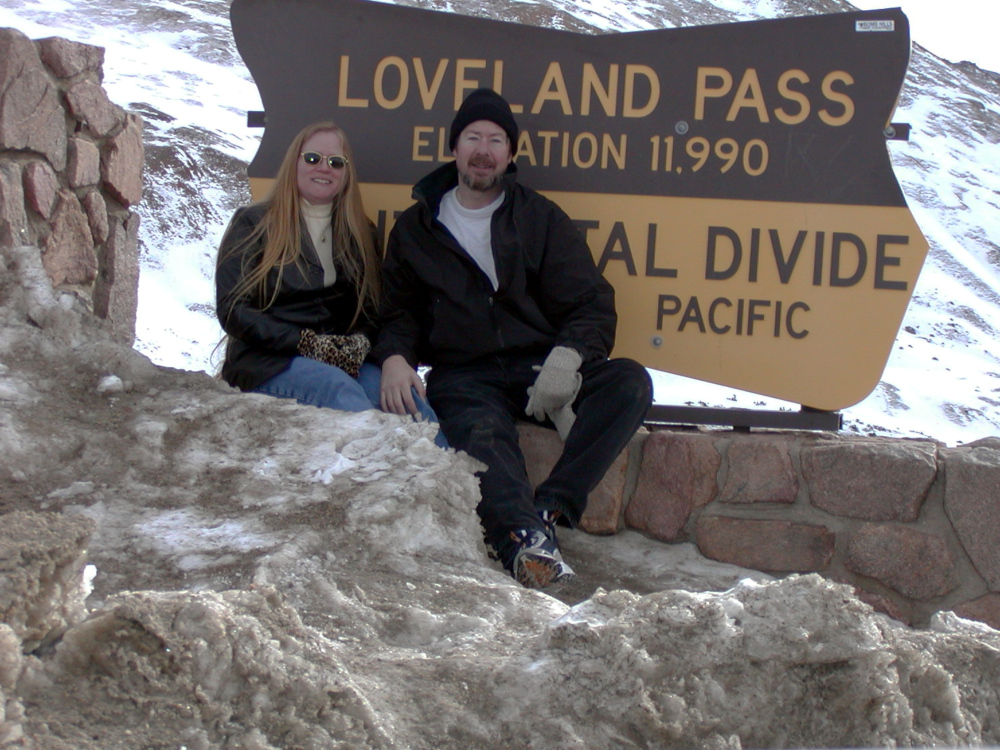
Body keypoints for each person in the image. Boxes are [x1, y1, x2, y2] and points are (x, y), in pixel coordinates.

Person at [372, 89, 653, 588]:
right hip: (464, 376)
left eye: (496, 140)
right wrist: (395, 357)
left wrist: (567, 359)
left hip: (538, 369)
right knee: (484, 443)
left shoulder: (539, 217)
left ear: (510, 153)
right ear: (454, 148)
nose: (484, 149)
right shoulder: (416, 229)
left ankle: (550, 508)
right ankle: (522, 540)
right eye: (473, 137)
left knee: (629, 382)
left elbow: (591, 301)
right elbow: (398, 312)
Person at [216, 121, 443, 440]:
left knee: (411, 405)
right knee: (342, 395)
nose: (324, 168)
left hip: (339, 360)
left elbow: (369, 311)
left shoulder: (361, 233)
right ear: (294, 161)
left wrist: (358, 343)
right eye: (312, 158)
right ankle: (386, 487)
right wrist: (305, 343)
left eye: (336, 162)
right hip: (267, 363)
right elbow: (233, 309)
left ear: (346, 173)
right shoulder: (253, 223)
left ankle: (443, 487)